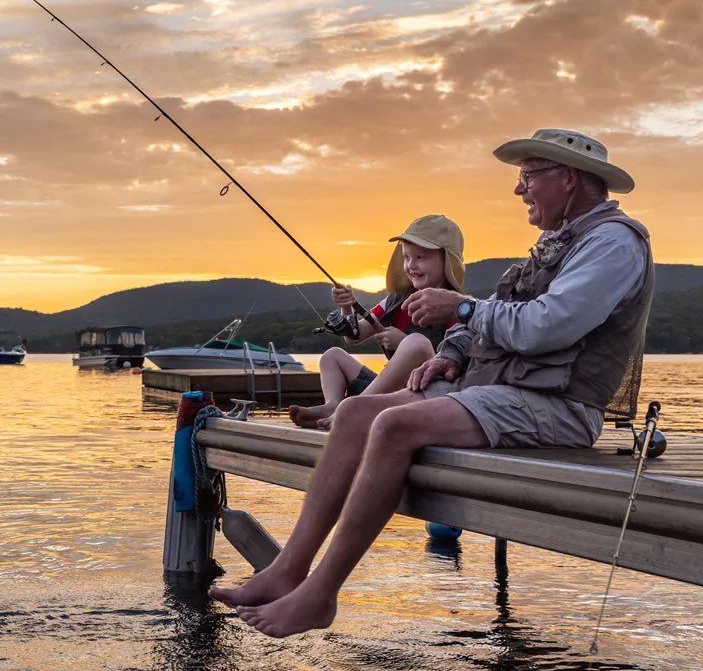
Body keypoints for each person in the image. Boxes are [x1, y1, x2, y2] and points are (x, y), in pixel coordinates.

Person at [210, 128, 654, 638]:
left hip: (560, 406)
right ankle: (288, 569)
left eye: (527, 177)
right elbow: (506, 318)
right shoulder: (562, 242)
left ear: (568, 179)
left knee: (396, 424)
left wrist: (462, 307)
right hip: (505, 392)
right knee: (354, 413)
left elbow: (545, 325)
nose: (519, 190)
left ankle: (320, 594)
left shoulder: (613, 244)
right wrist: (452, 354)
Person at [288, 215, 465, 430]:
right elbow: (354, 336)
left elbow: (454, 364)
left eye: (420, 257)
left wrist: (404, 343)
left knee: (416, 343)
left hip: (424, 393)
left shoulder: (457, 308)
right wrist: (347, 306)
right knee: (331, 356)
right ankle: (333, 406)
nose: (411, 266)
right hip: (382, 391)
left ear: (447, 260)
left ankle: (353, 409)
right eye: (406, 257)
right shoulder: (395, 300)